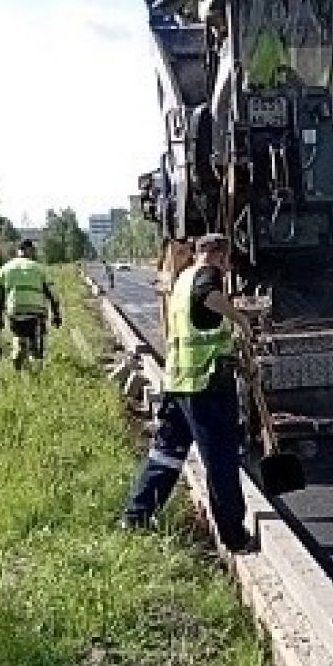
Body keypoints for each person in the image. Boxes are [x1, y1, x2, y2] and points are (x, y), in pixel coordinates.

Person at [121, 233, 258, 554]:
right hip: (206, 389)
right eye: (226, 260)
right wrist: (240, 319)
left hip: (179, 385)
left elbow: (200, 323)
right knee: (221, 462)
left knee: (166, 455)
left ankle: (136, 516)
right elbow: (207, 296)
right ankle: (234, 537)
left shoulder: (182, 279)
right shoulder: (208, 276)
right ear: (220, 257)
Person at [0, 239, 61, 373]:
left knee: (19, 336)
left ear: (18, 251)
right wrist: (56, 314)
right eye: (33, 250)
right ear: (29, 251)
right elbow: (52, 293)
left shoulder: (6, 268)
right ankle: (36, 371)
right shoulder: (38, 268)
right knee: (36, 342)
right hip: (36, 312)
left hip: (15, 310)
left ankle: (18, 362)